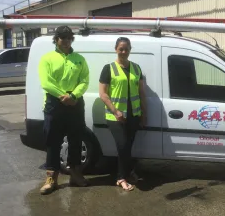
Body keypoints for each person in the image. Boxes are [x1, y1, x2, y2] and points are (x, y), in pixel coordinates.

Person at [38, 25, 90, 195]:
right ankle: (51, 178)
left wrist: (73, 96)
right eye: (62, 38)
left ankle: (75, 174)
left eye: (69, 38)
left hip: (75, 103)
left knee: (76, 139)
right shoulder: (47, 58)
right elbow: (46, 82)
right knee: (53, 141)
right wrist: (63, 96)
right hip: (54, 104)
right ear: (56, 39)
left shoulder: (79, 59)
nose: (66, 41)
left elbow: (85, 80)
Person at [99, 37, 147, 191]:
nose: (124, 52)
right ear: (116, 49)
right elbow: (103, 94)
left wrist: (144, 114)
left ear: (130, 50)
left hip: (134, 115)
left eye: (126, 49)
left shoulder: (136, 68)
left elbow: (141, 93)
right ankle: (121, 177)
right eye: (121, 49)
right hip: (115, 116)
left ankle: (127, 172)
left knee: (128, 147)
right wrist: (115, 111)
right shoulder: (109, 68)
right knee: (123, 145)